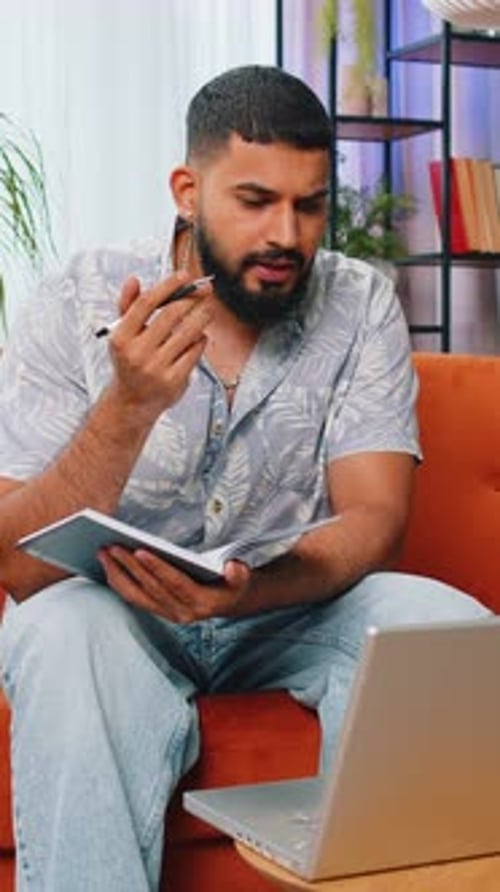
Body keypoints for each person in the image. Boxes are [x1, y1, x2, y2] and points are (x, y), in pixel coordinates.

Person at [0, 65, 489, 892]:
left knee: (445, 625)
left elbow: (377, 516)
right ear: (188, 191)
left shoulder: (359, 301)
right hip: (118, 613)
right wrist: (126, 410)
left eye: (310, 205)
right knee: (61, 631)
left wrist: (247, 592)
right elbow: (18, 565)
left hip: (286, 606)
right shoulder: (71, 298)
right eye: (255, 201)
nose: (288, 236)